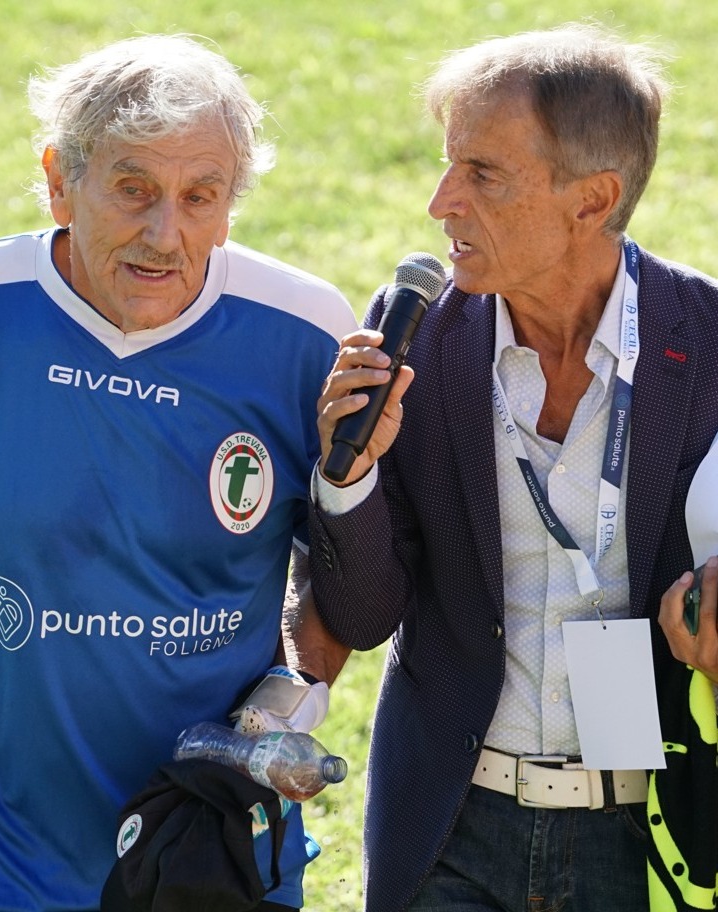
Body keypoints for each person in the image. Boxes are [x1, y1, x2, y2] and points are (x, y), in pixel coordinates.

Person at [0, 34, 355, 912]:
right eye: (133, 189)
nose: (164, 232)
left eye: (200, 197)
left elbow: (354, 562)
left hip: (205, 856)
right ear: (61, 180)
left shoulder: (306, 337)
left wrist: (298, 689)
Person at [308, 22, 718, 912]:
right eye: (449, 164)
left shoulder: (707, 340)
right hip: (450, 826)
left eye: (482, 174)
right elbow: (365, 614)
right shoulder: (421, 328)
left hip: (643, 837)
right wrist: (349, 480)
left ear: (592, 198)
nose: (440, 202)